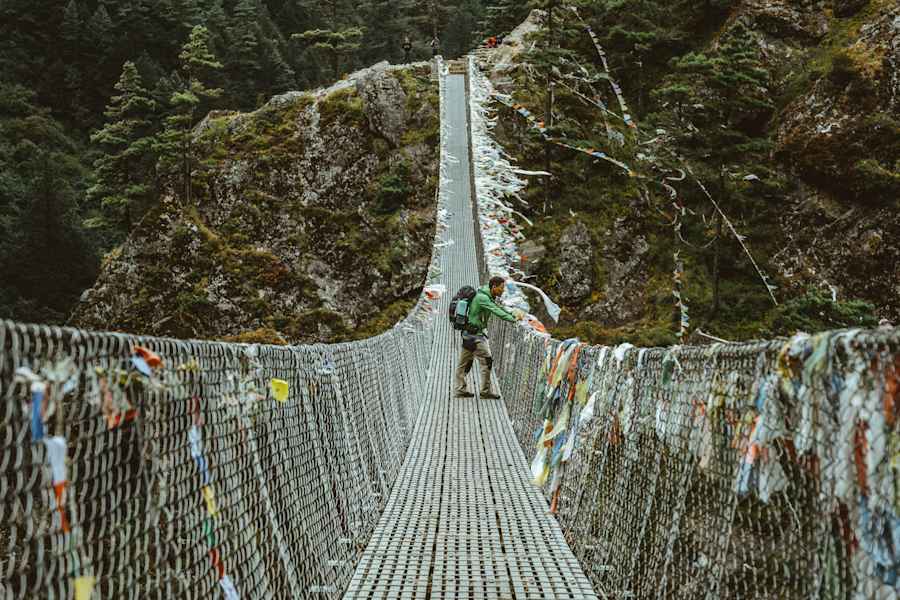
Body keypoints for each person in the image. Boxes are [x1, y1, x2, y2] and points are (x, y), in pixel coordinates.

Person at [454, 276, 521, 399]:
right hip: (475, 336)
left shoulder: (486, 296)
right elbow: (495, 310)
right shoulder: (482, 298)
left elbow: (497, 307)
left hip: (468, 334)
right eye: (501, 288)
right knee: (487, 361)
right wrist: (513, 319)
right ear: (494, 287)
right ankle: (485, 391)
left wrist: (511, 313)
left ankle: (460, 389)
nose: (503, 291)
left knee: (463, 363)